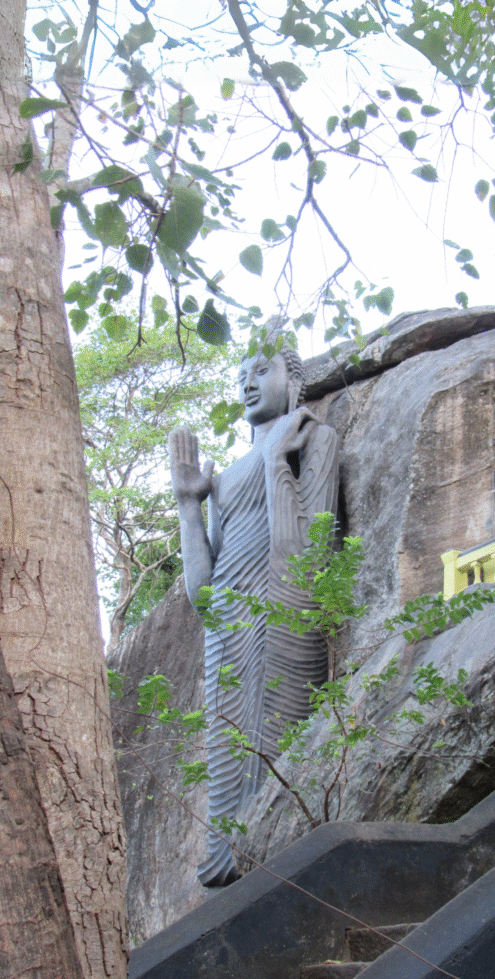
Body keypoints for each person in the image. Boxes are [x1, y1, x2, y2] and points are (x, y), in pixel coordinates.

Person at [169, 346, 339, 885]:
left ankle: (282, 864)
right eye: (240, 375)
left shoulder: (316, 439)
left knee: (279, 756)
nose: (247, 383)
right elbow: (202, 594)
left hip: (288, 610)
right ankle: (231, 877)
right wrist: (189, 505)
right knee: (225, 763)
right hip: (227, 625)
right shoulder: (226, 477)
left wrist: (276, 463)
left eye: (261, 371)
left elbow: (308, 555)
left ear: (292, 380)